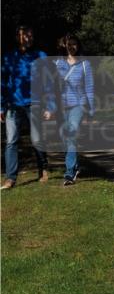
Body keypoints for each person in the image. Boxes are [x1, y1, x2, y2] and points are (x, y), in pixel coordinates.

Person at [1, 24, 49, 188]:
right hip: (13, 105)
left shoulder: (40, 56)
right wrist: (1, 106)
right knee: (11, 141)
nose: (29, 38)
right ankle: (10, 178)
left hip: (34, 103)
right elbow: (2, 83)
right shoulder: (8, 57)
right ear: (18, 37)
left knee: (36, 139)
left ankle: (43, 167)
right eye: (25, 35)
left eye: (31, 35)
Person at [46, 34, 95, 186]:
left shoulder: (85, 64)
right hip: (61, 107)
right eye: (69, 44)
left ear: (78, 45)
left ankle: (69, 174)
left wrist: (91, 110)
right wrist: (50, 107)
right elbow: (50, 88)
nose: (72, 47)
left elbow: (89, 87)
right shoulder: (57, 63)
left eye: (75, 44)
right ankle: (76, 166)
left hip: (78, 105)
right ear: (64, 45)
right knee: (64, 140)